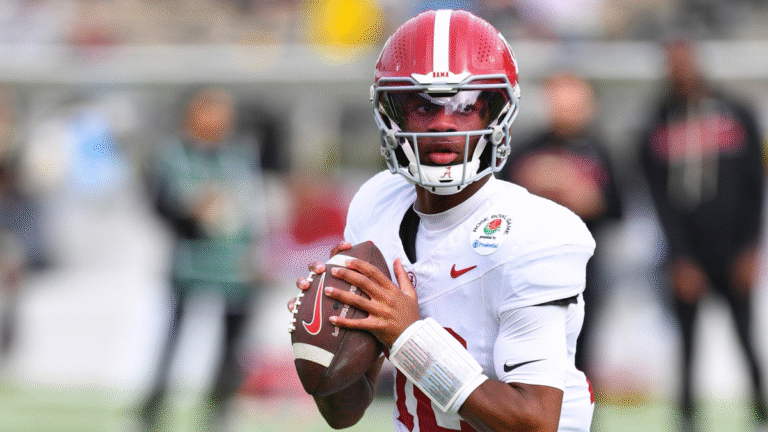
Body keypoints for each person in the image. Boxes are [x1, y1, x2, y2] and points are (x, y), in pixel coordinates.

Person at [290, 9, 595, 431]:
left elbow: (535, 421)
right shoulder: (376, 205)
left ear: (496, 113)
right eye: (422, 106)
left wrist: (409, 337)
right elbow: (344, 414)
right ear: (392, 113)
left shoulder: (538, 233)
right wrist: (323, 347)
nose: (443, 123)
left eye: (465, 105)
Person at [638, 36, 766, 431]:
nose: (681, 72)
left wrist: (751, 249)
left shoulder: (737, 113)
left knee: (745, 335)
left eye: (685, 62)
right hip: (686, 254)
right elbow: (657, 199)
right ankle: (687, 416)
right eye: (672, 64)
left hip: (733, 248)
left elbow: (755, 185)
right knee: (687, 339)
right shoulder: (657, 122)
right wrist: (679, 258)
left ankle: (761, 410)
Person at [140, 87, 267, 431]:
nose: (220, 119)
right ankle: (152, 410)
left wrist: (257, 252)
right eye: (211, 110)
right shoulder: (172, 154)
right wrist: (190, 212)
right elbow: (159, 204)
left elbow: (255, 207)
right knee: (173, 338)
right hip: (191, 259)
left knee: (232, 345)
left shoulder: (241, 154)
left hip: (235, 262)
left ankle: (219, 411)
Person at [499, 71, 623, 384]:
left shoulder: (599, 149)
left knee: (580, 352)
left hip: (584, 269)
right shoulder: (527, 149)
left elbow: (617, 208)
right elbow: (499, 206)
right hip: (531, 268)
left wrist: (586, 198)